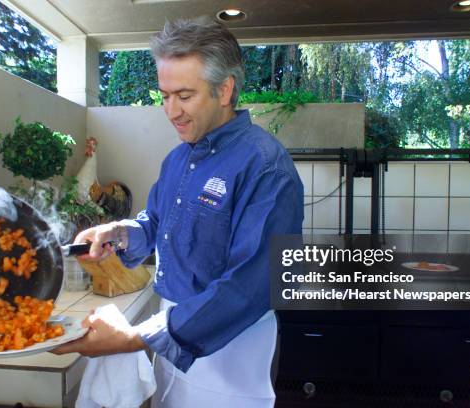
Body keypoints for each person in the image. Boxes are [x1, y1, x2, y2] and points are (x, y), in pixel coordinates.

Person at [53, 18, 304, 407]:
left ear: (225, 90)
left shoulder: (267, 167)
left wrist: (135, 337)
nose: (171, 111)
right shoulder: (177, 159)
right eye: (164, 95)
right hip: (172, 332)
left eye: (184, 95)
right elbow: (155, 222)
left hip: (232, 350)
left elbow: (251, 286)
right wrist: (118, 232)